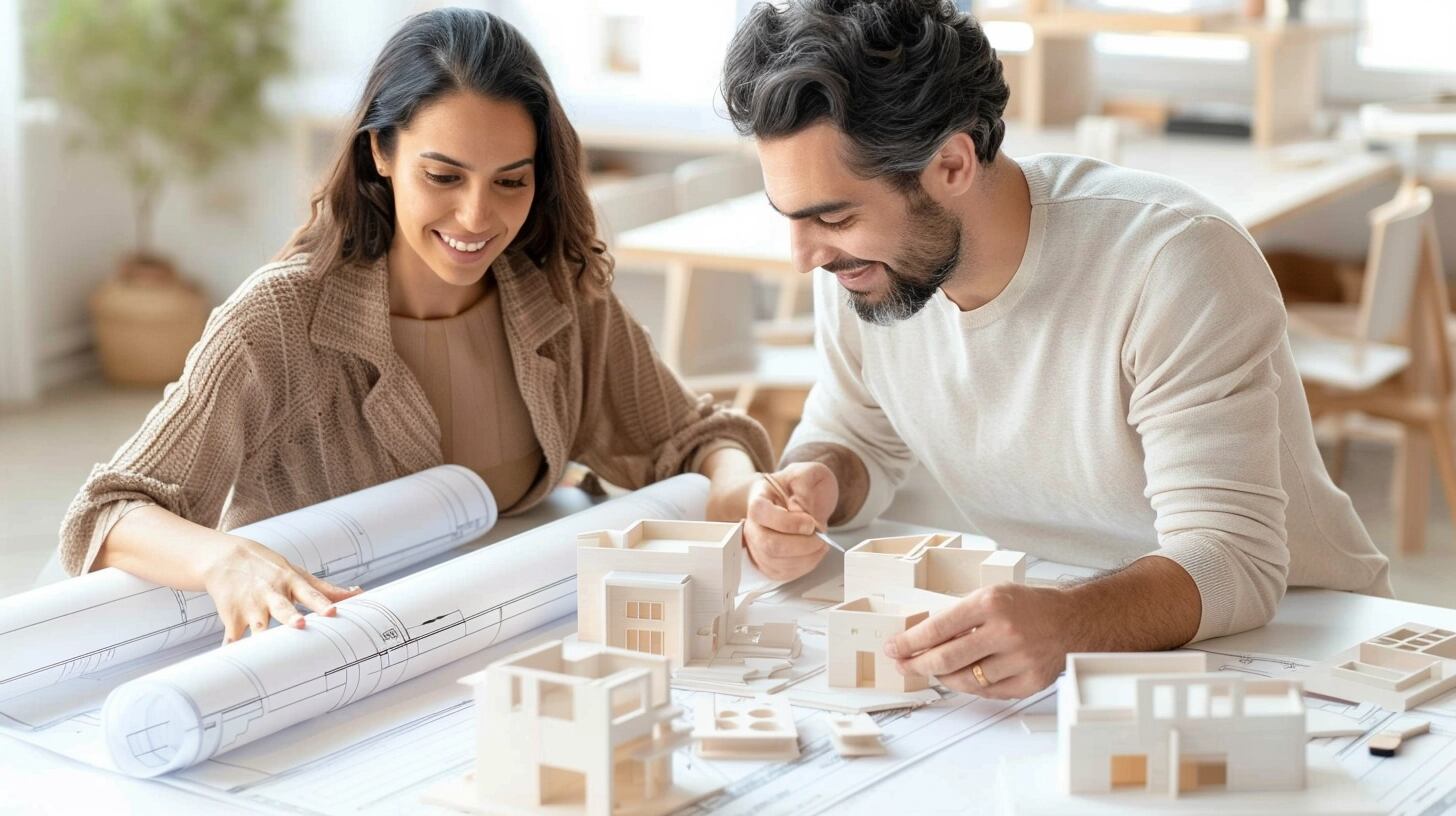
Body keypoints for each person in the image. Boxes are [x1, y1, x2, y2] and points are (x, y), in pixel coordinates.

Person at [724, 0, 1391, 699]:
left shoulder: (1172, 261)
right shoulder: (871, 271)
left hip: (1302, 640)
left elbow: (1233, 561)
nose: (804, 257)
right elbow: (852, 435)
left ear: (951, 164)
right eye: (793, 219)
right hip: (1064, 638)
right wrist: (819, 482)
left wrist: (1067, 623)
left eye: (833, 216)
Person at [58, 8, 772, 644]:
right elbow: (109, 509)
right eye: (444, 176)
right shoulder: (276, 321)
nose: (476, 218)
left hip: (505, 630)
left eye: (510, 181)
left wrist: (746, 491)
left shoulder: (558, 300)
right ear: (381, 152)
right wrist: (225, 558)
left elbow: (691, 437)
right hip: (327, 656)